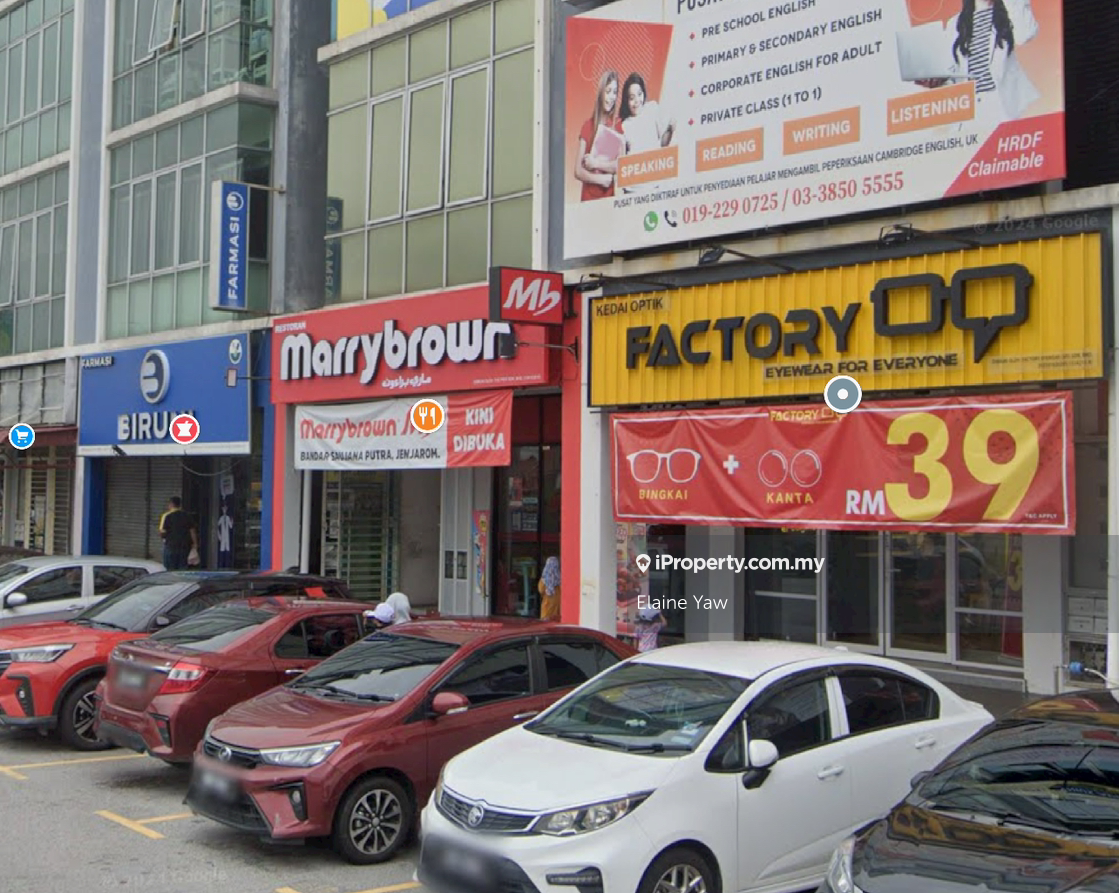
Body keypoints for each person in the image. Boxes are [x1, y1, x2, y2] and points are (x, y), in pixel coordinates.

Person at [916, 0, 1038, 125]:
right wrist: (937, 82)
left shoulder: (1009, 10)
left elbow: (1025, 34)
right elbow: (954, 74)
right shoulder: (955, 23)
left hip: (1002, 105)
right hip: (971, 109)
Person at [574, 69, 623, 201]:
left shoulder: (618, 126)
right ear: (601, 93)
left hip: (609, 201)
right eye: (608, 91)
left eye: (615, 92)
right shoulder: (588, 126)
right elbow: (578, 170)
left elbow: (620, 165)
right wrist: (600, 179)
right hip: (588, 200)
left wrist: (596, 163)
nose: (611, 97)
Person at [619, 72, 675, 155]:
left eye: (639, 94)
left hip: (656, 159)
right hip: (637, 161)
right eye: (632, 98)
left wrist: (670, 128)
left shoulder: (652, 108)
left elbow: (663, 143)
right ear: (626, 101)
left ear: (643, 93)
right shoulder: (625, 125)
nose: (637, 100)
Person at [159, 496, 199, 571]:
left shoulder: (167, 516)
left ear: (171, 504)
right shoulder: (187, 515)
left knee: (170, 569)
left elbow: (162, 533)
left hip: (171, 546)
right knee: (182, 568)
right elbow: (192, 531)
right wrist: (195, 544)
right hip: (184, 547)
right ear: (180, 505)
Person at [538, 556, 561, 621]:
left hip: (547, 608)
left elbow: (541, 590)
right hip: (557, 608)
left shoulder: (544, 580)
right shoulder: (560, 579)